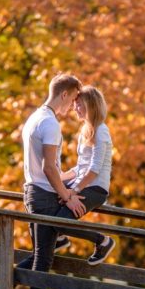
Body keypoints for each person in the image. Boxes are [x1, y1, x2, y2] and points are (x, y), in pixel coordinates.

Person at [0, 73, 85, 289]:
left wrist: (67, 176)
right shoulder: (50, 124)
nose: (72, 107)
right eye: (72, 100)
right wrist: (67, 194)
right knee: (42, 257)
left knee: (43, 253)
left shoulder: (34, 119)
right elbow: (48, 167)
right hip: (45, 195)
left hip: (33, 191)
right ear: (63, 94)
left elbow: (46, 167)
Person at [54, 84, 114, 264]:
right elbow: (80, 168)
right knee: (47, 192)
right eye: (75, 104)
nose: (75, 108)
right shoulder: (85, 131)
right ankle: (60, 236)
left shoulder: (101, 130)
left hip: (95, 189)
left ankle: (102, 241)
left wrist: (74, 190)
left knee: (58, 220)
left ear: (91, 105)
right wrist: (57, 178)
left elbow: (94, 170)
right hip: (81, 183)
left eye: (79, 104)